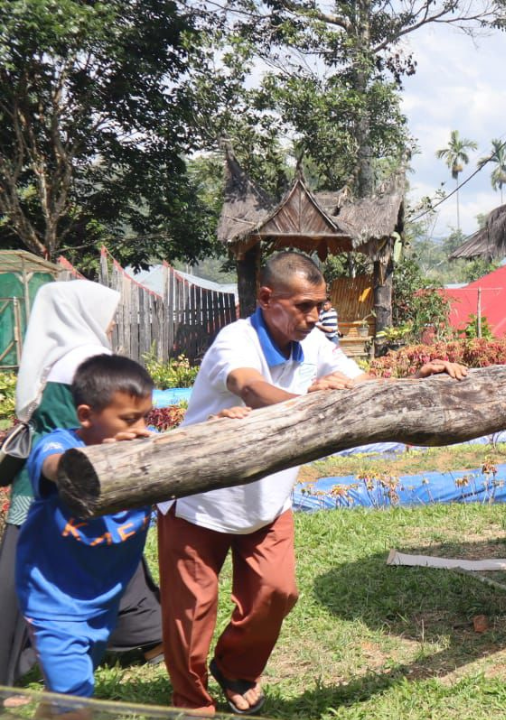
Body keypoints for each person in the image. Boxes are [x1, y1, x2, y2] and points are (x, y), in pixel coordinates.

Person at [157, 251, 467, 715]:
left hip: (267, 499)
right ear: (267, 298)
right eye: (305, 305)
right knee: (192, 612)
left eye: (320, 305)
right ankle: (191, 701)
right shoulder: (237, 340)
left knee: (277, 593)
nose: (315, 315)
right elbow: (249, 388)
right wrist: (307, 400)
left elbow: (360, 386)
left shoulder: (316, 345)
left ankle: (237, 668)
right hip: (200, 499)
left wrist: (410, 382)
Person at [16, 356, 249, 702]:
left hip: (103, 602)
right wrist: (86, 465)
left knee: (60, 697)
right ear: (85, 416)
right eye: (128, 419)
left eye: (145, 417)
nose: (140, 427)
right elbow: (52, 465)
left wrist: (215, 428)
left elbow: (182, 448)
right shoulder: (58, 446)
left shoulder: (144, 444)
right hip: (54, 603)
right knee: (75, 699)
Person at [0, 281, 164, 687]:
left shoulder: (54, 360)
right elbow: (58, 449)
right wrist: (83, 463)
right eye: (106, 315)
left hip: (93, 586)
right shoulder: (87, 363)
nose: (109, 325)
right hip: (71, 505)